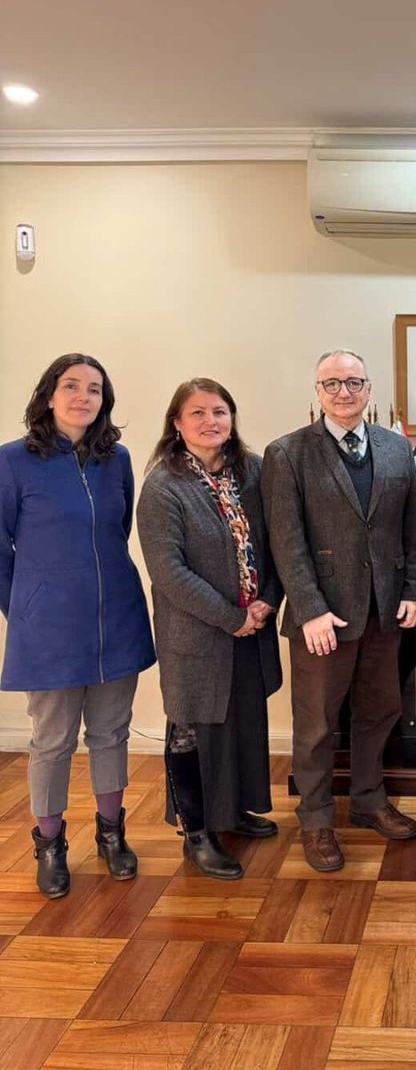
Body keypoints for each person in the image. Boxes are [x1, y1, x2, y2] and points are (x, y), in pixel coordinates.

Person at [262, 349, 416, 873]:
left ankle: (368, 800)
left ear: (368, 388)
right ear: (317, 391)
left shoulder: (395, 448)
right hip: (323, 619)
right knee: (315, 725)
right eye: (331, 383)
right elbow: (286, 543)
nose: (343, 392)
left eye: (353, 382)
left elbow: (413, 530)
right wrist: (309, 609)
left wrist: (414, 591)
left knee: (379, 710)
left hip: (385, 613)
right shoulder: (287, 452)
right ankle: (315, 821)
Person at [0, 353, 155, 898]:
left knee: (112, 733)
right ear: (49, 395)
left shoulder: (118, 460)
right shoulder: (12, 461)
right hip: (48, 629)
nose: (82, 397)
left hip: (118, 618)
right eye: (71, 386)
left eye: (94, 390)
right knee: (52, 740)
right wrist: (25, 610)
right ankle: (50, 844)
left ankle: (112, 834)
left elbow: (117, 528)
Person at [137, 378, 283, 880]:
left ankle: (233, 812)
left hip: (253, 625)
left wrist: (266, 602)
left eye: (219, 411)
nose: (210, 422)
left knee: (240, 723)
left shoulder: (253, 471)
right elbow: (168, 571)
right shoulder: (163, 486)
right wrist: (232, 616)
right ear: (176, 424)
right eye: (197, 413)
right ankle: (197, 833)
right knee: (192, 729)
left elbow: (277, 543)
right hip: (196, 636)